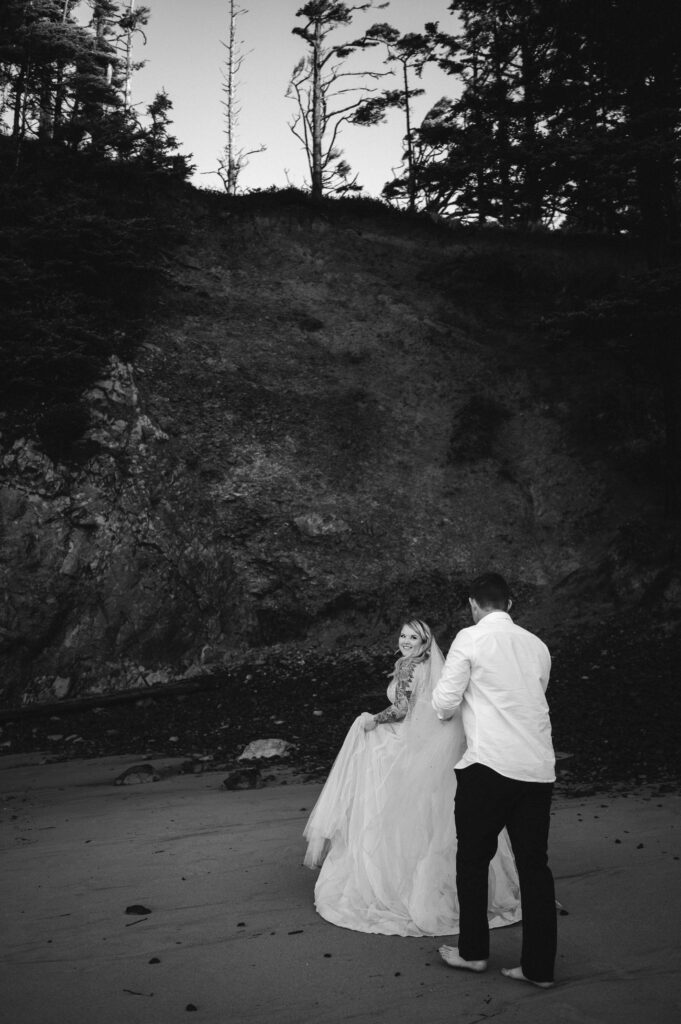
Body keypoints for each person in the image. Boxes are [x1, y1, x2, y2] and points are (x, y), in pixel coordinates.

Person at [303, 619, 521, 937]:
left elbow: (402, 708)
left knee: (391, 809)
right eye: (403, 635)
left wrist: (372, 720)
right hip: (429, 747)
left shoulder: (407, 666)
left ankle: (396, 885)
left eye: (413, 636)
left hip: (410, 744)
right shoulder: (435, 666)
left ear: (425, 640)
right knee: (433, 814)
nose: (405, 640)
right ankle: (450, 889)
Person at [431, 573, 557, 987]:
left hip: (489, 767)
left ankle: (473, 953)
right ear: (510, 603)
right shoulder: (537, 646)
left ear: (473, 604)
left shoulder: (470, 638)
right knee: (534, 868)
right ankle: (538, 968)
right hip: (537, 770)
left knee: (472, 861)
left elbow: (446, 702)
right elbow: (532, 694)